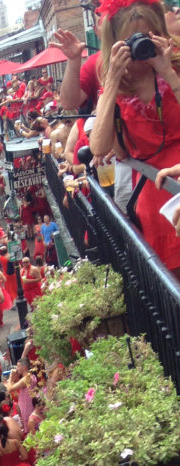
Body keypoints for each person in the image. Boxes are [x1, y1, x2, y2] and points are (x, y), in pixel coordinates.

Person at [90, 0, 180, 273]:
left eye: (149, 36)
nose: (141, 46)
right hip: (154, 193)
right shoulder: (115, 83)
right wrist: (112, 82)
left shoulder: (175, 63)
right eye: (131, 40)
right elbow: (99, 146)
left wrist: (167, 71)